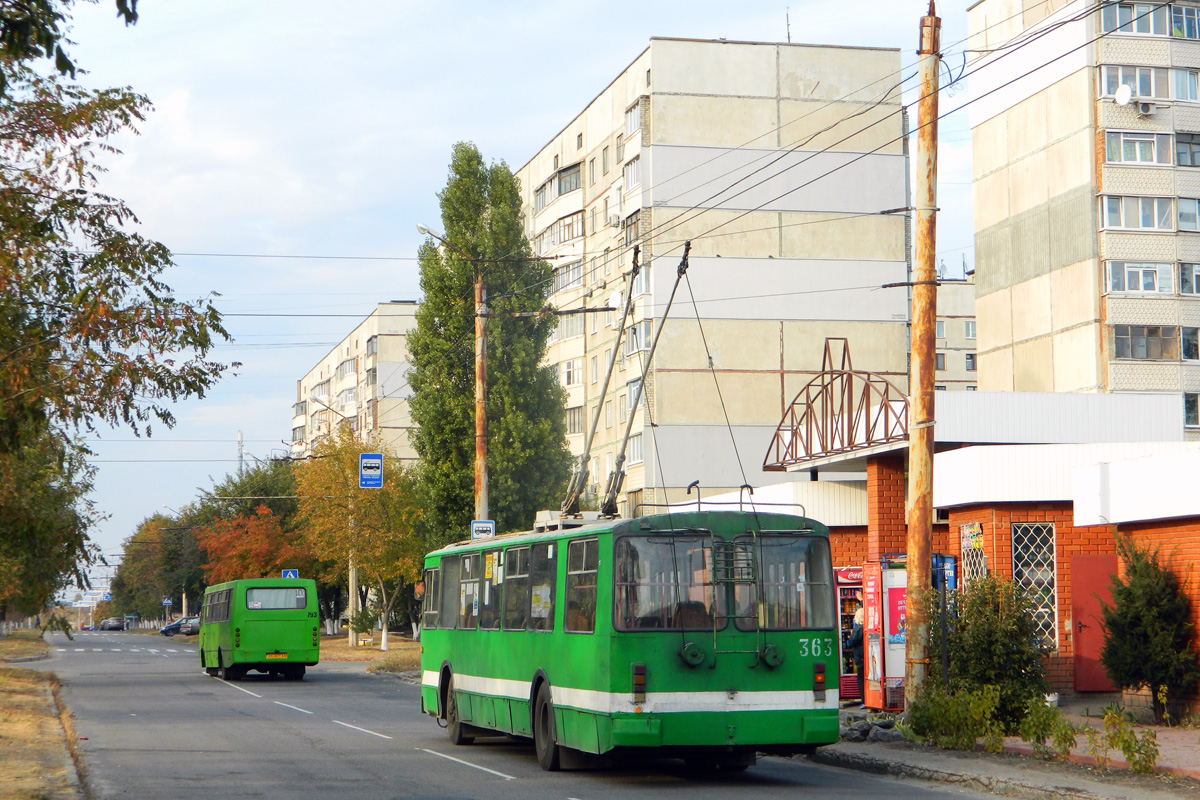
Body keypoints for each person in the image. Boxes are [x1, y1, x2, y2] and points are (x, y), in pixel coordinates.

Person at [847, 606, 865, 703]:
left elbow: (851, 642)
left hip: (860, 657)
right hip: (867, 657)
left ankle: (864, 700)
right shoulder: (866, 626)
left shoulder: (858, 628)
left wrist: (849, 638)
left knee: (861, 678)